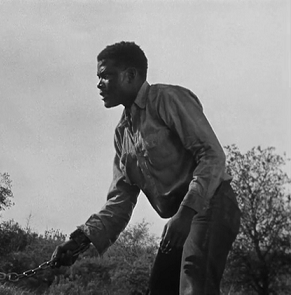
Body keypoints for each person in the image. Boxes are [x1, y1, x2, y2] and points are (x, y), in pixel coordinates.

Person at [51, 41, 241, 295]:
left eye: (106, 76)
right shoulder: (122, 135)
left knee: (195, 284)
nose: (99, 84)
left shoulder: (167, 99)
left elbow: (212, 155)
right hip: (179, 219)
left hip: (212, 204)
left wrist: (185, 214)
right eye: (99, 77)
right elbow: (119, 203)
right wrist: (78, 243)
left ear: (131, 75)